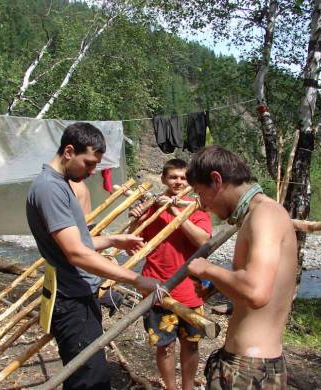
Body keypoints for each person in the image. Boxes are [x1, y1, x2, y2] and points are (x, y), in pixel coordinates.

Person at [26, 122, 158, 390]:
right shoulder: (50, 189)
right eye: (88, 163)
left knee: (84, 376)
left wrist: (111, 240)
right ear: (68, 151)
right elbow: (75, 253)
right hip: (71, 301)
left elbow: (75, 243)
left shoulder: (59, 184)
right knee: (90, 381)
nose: (91, 171)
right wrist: (135, 279)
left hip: (77, 295)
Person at [184, 145, 298, 389]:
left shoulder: (265, 215)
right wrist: (218, 284)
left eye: (200, 193)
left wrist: (207, 269)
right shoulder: (258, 214)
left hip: (250, 371)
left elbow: (256, 293)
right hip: (250, 366)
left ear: (216, 180)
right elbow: (266, 281)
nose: (203, 206)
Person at [129, 158, 212, 390]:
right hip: (156, 287)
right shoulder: (152, 209)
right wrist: (136, 218)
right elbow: (133, 242)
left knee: (191, 344)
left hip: (189, 292)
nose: (178, 181)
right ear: (164, 179)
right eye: (173, 177)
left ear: (190, 181)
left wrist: (175, 209)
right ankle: (170, 387)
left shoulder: (196, 207)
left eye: (183, 178)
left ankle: (187, 387)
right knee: (164, 346)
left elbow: (203, 242)